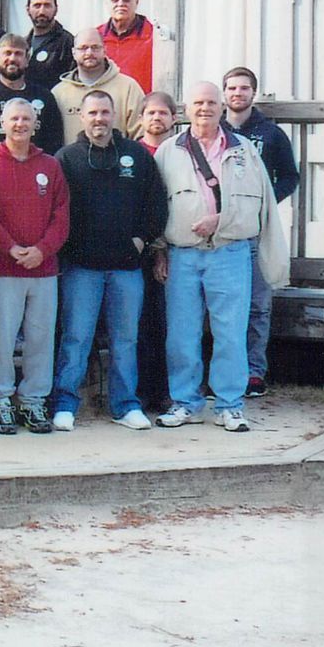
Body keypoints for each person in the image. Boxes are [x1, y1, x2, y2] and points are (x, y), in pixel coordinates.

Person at [154, 81, 289, 432]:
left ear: (221, 107)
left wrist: (222, 219)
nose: (205, 109)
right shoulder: (169, 151)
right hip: (183, 254)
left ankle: (230, 404)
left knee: (231, 332)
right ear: (187, 109)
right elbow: (153, 205)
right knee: (182, 334)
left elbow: (261, 206)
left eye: (211, 102)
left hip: (230, 253)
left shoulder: (243, 149)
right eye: (198, 102)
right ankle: (185, 402)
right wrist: (159, 251)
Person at [54, 90, 168, 432]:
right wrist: (71, 248)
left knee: (126, 339)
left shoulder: (136, 156)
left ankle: (125, 404)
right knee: (76, 337)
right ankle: (64, 403)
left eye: (105, 112)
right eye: (92, 113)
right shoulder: (66, 158)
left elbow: (156, 203)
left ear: (115, 115)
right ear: (83, 117)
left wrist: (141, 240)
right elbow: (58, 210)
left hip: (126, 268)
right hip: (81, 268)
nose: (99, 119)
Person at [0, 98, 70, 435]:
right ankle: (0, 399)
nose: (20, 124)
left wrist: (42, 250)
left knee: (41, 337)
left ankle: (33, 401)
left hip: (43, 270)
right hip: (3, 267)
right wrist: (11, 248)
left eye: (26, 118)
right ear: (2, 123)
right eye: (14, 118)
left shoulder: (50, 165)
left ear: (35, 123)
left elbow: (62, 213)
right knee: (0, 337)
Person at [223, 66, 299, 398]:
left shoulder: (271, 134)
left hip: (257, 230)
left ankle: (254, 372)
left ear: (253, 93)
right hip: (220, 230)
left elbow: (290, 176)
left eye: (243, 88)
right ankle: (223, 372)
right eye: (231, 88)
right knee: (223, 306)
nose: (237, 93)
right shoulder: (214, 131)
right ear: (223, 93)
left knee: (257, 303)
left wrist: (265, 202)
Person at [135, 89, 181, 412]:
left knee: (166, 324)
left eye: (163, 113)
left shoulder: (181, 152)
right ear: (141, 118)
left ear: (173, 118)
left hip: (172, 247)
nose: (156, 118)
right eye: (150, 113)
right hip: (139, 248)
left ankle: (166, 390)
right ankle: (139, 390)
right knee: (139, 323)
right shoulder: (132, 153)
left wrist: (164, 247)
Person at [0, 33, 64, 159]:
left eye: (18, 54)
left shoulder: (44, 96)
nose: (12, 58)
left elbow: (53, 142)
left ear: (27, 59)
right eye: (7, 53)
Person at [51, 29, 145, 143]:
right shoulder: (59, 93)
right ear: (73, 53)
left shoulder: (128, 88)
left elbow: (141, 136)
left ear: (104, 50)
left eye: (95, 47)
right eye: (83, 48)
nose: (89, 53)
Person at [99, 0, 155, 91]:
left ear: (137, 2)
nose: (120, 4)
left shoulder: (154, 37)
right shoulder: (95, 38)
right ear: (106, 2)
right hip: (104, 107)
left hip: (141, 106)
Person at [23, 0, 75, 92]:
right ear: (28, 9)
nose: (42, 11)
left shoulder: (69, 43)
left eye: (47, 5)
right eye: (37, 5)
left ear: (56, 9)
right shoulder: (22, 44)